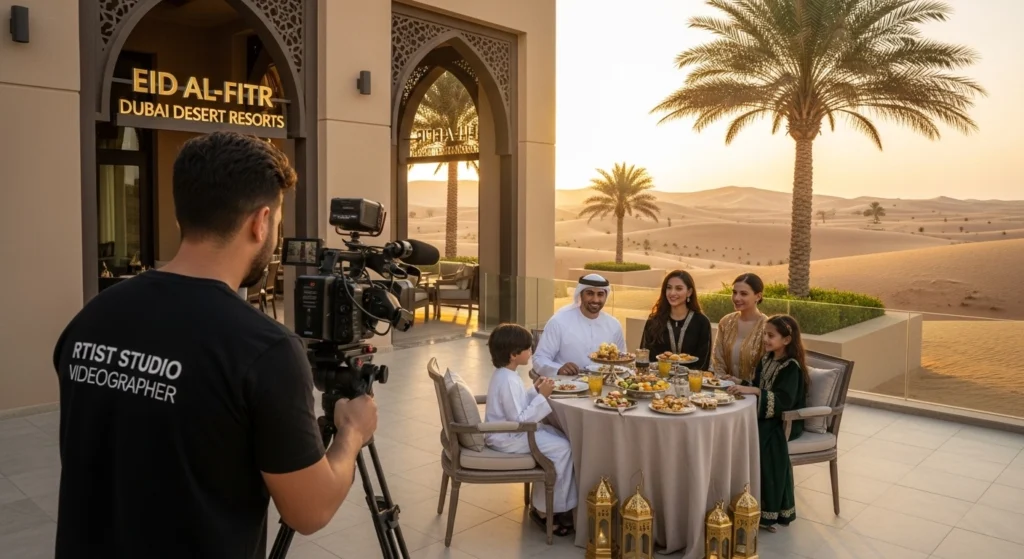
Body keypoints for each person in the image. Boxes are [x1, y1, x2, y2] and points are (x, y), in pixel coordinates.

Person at [51, 132, 378, 559]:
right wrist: (352, 432)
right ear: (260, 222)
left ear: (180, 218)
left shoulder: (90, 319)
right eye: (277, 223)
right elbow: (310, 510)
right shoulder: (265, 350)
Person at [484, 324, 578, 536]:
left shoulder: (506, 375)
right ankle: (548, 511)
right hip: (507, 437)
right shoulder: (507, 380)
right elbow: (519, 421)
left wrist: (534, 390)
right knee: (563, 448)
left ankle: (547, 504)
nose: (531, 352)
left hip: (509, 431)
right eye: (528, 348)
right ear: (513, 354)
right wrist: (543, 396)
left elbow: (516, 407)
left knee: (558, 435)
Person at [727, 315, 808, 531]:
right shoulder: (767, 359)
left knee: (757, 439)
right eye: (764, 334)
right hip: (765, 416)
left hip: (785, 421)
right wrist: (739, 383)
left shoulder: (792, 367)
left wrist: (753, 390)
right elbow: (756, 385)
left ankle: (767, 509)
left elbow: (784, 401)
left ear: (787, 340)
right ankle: (737, 498)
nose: (765, 339)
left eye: (770, 335)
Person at [532, 273, 626, 377]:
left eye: (600, 294)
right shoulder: (559, 321)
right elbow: (540, 358)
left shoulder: (614, 325)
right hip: (566, 386)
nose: (595, 300)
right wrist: (558, 368)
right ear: (580, 294)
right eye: (590, 293)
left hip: (604, 386)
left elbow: (622, 361)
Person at [639, 270, 712, 370]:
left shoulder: (701, 322)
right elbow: (644, 355)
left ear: (689, 292)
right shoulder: (654, 321)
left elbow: (703, 362)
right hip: (657, 381)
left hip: (689, 383)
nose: (672, 293)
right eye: (669, 288)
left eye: (679, 288)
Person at [711, 273, 767, 383]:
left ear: (758, 296)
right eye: (734, 293)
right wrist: (723, 380)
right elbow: (717, 359)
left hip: (753, 393)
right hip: (724, 390)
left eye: (743, 294)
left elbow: (767, 368)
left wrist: (744, 385)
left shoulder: (767, 327)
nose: (737, 298)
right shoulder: (726, 322)